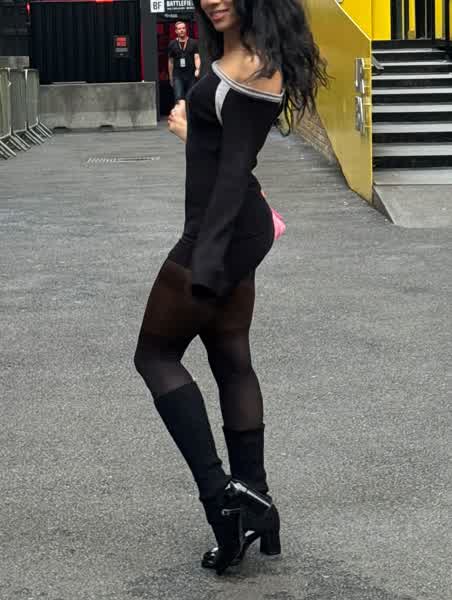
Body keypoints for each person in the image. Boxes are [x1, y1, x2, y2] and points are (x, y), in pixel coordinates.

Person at [135, 0, 327, 576]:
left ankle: (222, 498)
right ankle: (256, 502)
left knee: (155, 355)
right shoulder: (232, 54)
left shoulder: (259, 66)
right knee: (230, 356)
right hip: (232, 227)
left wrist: (207, 260)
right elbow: (222, 152)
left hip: (220, 232)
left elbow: (234, 169)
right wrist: (194, 131)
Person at [168, 21, 201, 103]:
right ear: (176, 31)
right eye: (179, 29)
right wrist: (171, 77)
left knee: (191, 98)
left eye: (183, 28)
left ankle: (189, 112)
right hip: (177, 75)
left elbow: (197, 57)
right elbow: (171, 62)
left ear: (186, 29)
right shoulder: (172, 44)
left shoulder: (193, 42)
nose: (182, 30)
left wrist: (198, 69)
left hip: (191, 74)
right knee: (178, 97)